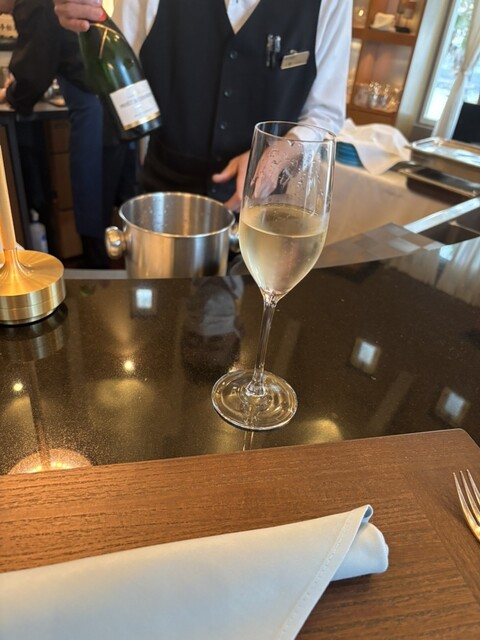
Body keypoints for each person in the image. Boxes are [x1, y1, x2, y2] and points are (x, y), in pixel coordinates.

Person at [53, 0, 351, 212]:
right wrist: (83, 19)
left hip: (264, 211)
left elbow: (325, 113)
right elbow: (112, 74)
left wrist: (275, 153)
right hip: (164, 200)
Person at [0, 0, 137, 267]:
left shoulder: (33, 4)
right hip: (115, 105)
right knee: (112, 193)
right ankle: (112, 270)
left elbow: (35, 69)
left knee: (90, 191)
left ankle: (98, 274)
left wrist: (11, 94)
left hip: (94, 108)